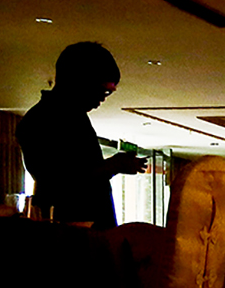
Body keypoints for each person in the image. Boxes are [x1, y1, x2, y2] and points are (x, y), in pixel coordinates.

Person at [17, 41, 146, 226]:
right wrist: (111, 166)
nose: (103, 98)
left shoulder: (68, 117)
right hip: (71, 233)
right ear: (79, 80)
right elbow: (57, 183)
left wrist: (111, 167)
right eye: (103, 90)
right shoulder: (43, 120)